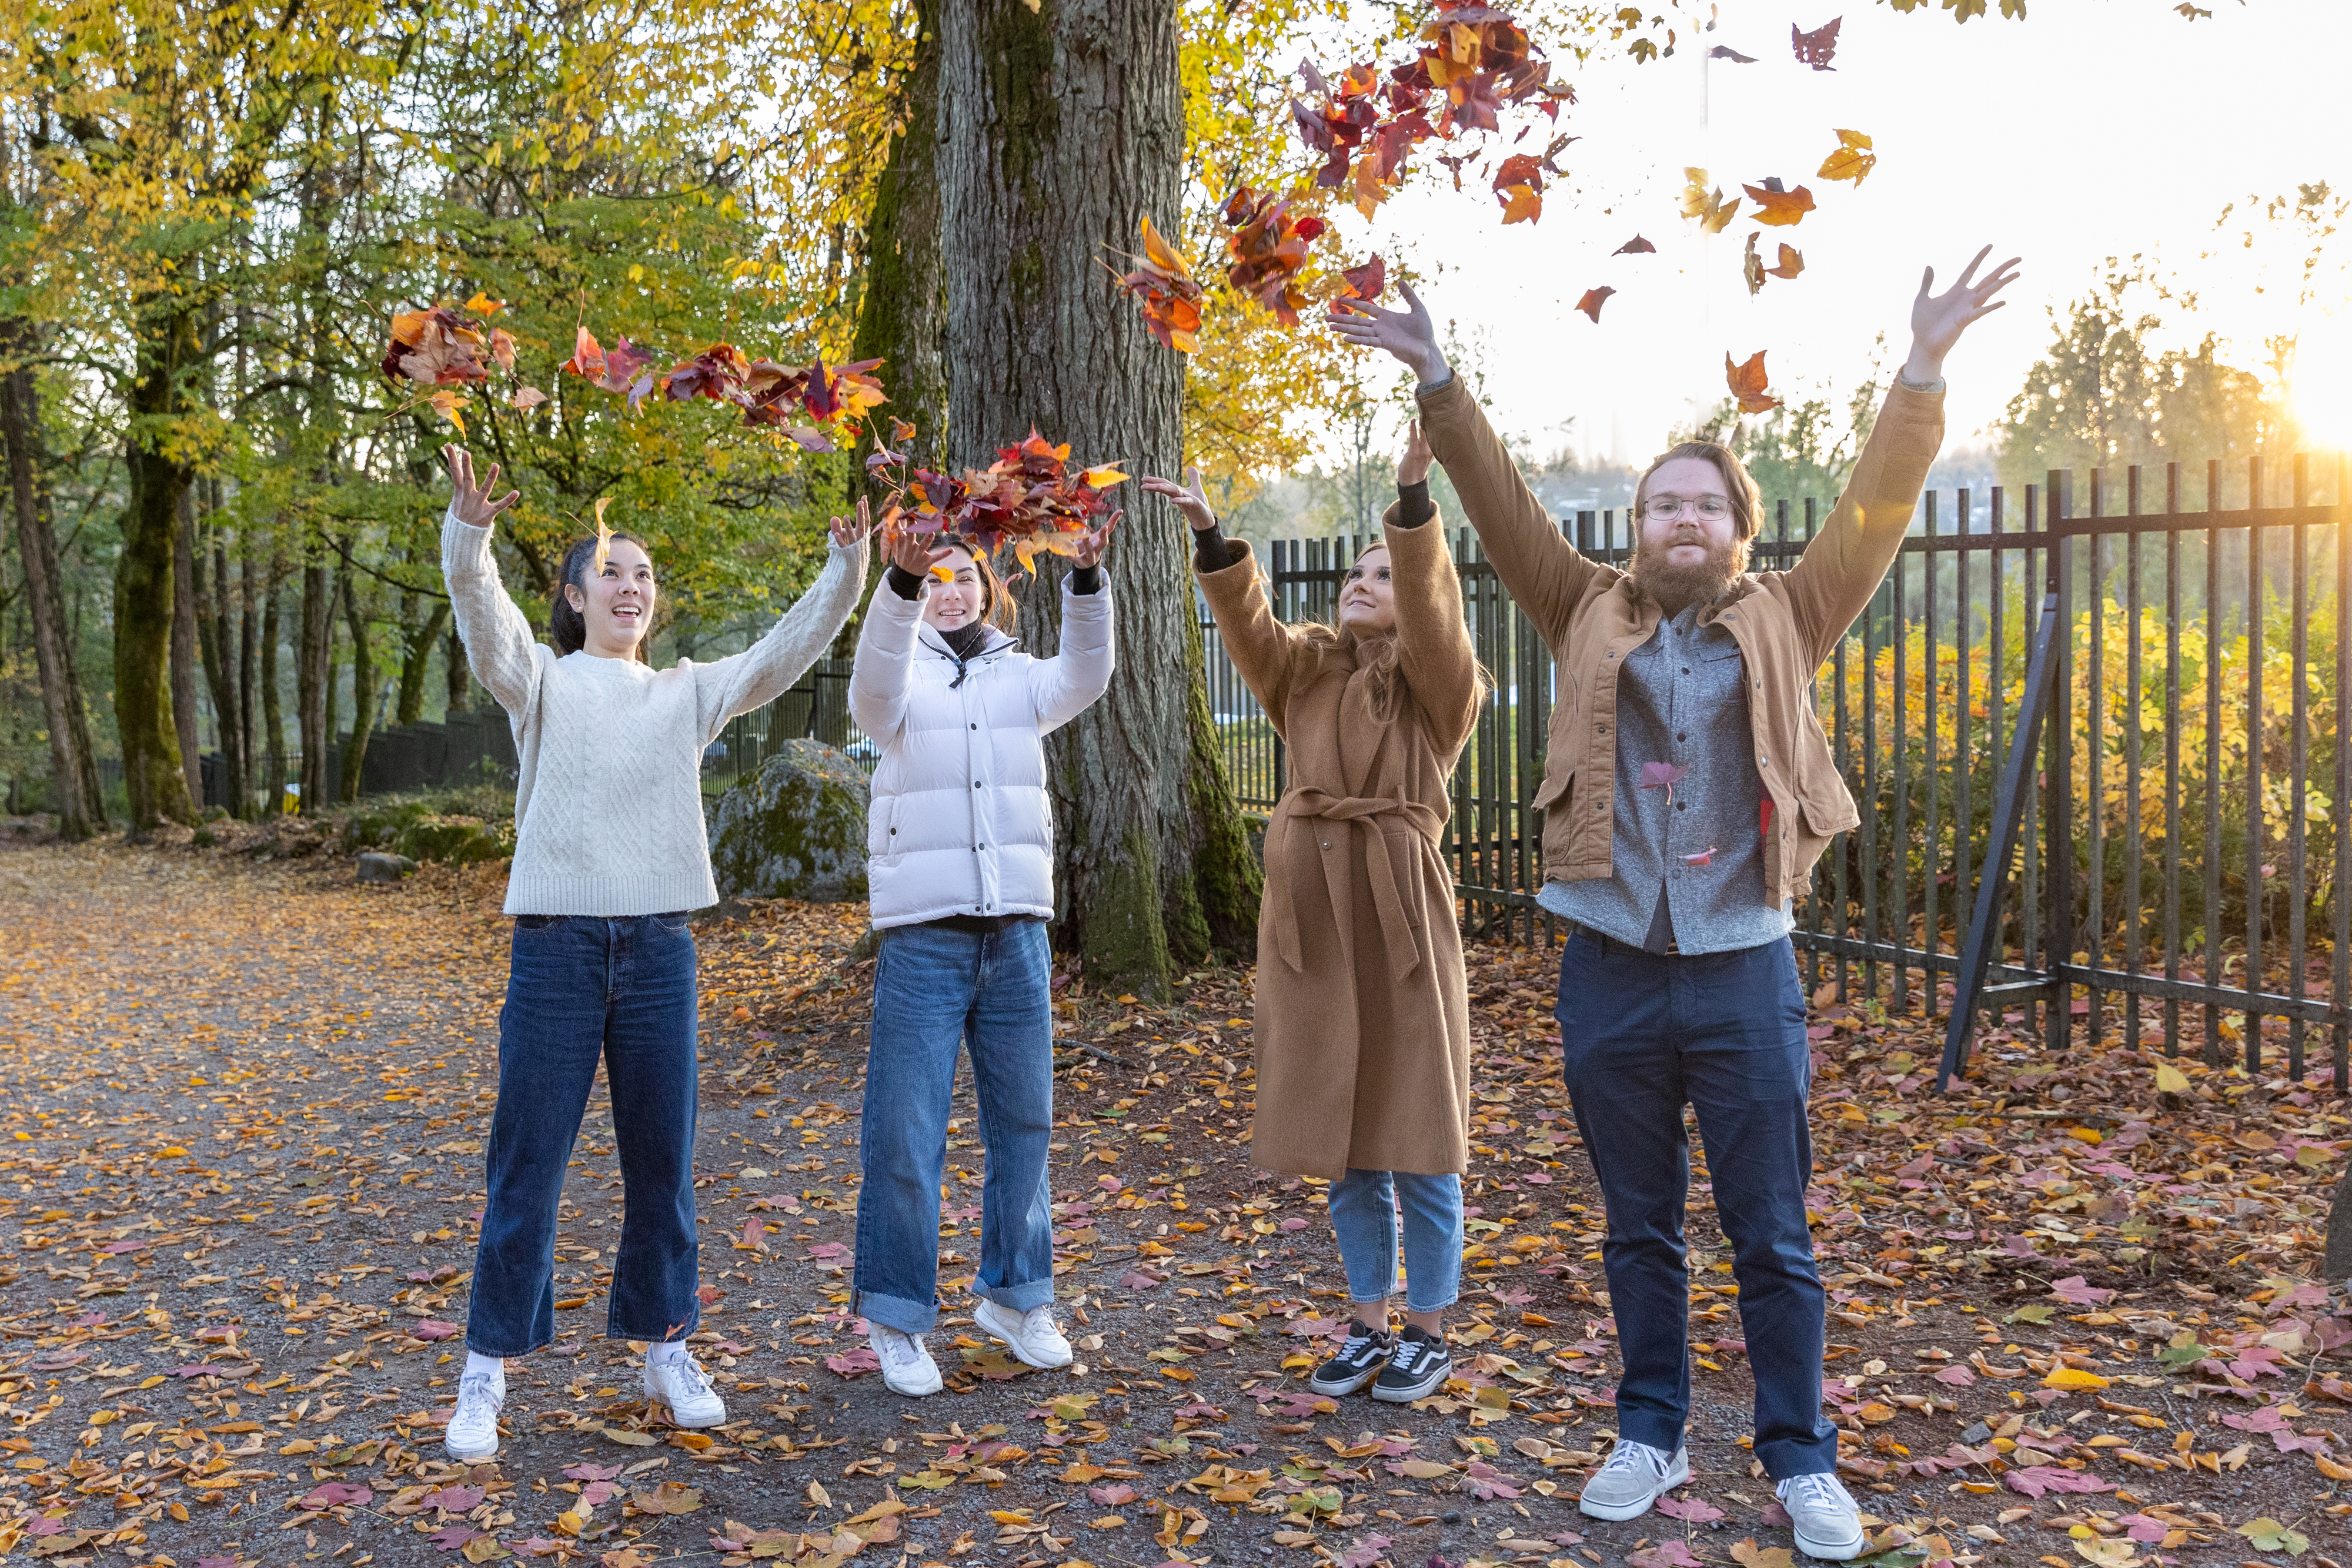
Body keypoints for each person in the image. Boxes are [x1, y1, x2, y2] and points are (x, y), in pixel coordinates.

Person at [1330, 249, 2020, 1559]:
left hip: (1745, 968)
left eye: (1705, 504)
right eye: (1661, 504)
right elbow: (1501, 501)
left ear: (1739, 530)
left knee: (1770, 1231)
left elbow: (1874, 510)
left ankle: (1798, 1454)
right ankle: (1646, 1427)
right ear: (1635, 528)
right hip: (1609, 967)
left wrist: (1919, 372)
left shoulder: (1786, 616)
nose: (1682, 520)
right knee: (1637, 1223)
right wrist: (1436, 381)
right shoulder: (1579, 606)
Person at [435, 447, 871, 1461]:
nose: (630, 585)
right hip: (556, 952)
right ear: (578, 598)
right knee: (526, 1167)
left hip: (662, 952)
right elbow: (487, 622)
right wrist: (471, 534)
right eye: (610, 572)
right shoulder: (539, 681)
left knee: (662, 1168)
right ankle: (485, 1370)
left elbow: (783, 654)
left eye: (642, 574)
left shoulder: (685, 692)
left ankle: (666, 1344)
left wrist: (844, 570)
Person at [1142, 427, 1482, 1405]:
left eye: (1384, 574)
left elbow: (1432, 614)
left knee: (1418, 1131)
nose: (1362, 582)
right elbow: (1250, 626)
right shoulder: (1307, 674)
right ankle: (1368, 1321)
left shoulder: (1440, 690)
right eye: (1354, 572)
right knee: (1341, 1131)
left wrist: (1413, 504)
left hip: (1402, 915)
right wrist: (1213, 533)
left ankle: (1429, 1329)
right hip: (1318, 921)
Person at [848, 518, 1117, 1396]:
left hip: (1017, 932)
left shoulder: (1019, 677)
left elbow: (1087, 674)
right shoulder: (896, 675)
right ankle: (896, 1315)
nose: (951, 591)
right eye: (934, 580)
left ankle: (1017, 1295)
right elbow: (873, 688)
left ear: (991, 588)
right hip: (924, 934)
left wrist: (1086, 581)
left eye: (964, 577)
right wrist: (895, 584)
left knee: (1025, 1122)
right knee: (905, 1131)